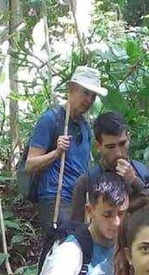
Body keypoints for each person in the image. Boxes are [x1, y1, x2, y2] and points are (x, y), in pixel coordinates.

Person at [33, 172, 129, 275]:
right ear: (90, 211)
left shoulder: (127, 247)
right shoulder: (70, 251)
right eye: (107, 215)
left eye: (121, 214)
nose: (116, 222)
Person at [25, 66, 107, 234]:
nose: (89, 99)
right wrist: (56, 153)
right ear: (72, 89)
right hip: (56, 198)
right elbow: (30, 164)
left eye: (93, 95)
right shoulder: (51, 119)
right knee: (63, 246)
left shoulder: (84, 126)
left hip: (80, 199)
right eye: (85, 92)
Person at [71, 111, 149, 223]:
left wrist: (136, 182)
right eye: (110, 147)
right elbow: (76, 227)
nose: (118, 153)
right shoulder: (86, 182)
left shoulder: (148, 174)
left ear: (129, 138)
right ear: (98, 146)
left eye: (122, 144)